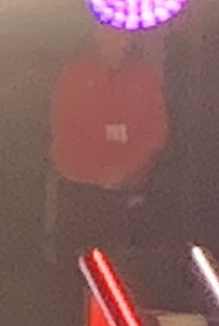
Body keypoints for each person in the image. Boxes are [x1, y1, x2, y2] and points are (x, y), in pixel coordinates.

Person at [49, 26, 169, 260]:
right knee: (77, 260)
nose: (116, 41)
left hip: (125, 190)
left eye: (122, 35)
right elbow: (62, 128)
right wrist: (97, 172)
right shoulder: (75, 73)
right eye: (108, 34)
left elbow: (156, 133)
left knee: (120, 261)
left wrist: (126, 169)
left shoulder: (144, 77)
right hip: (79, 188)